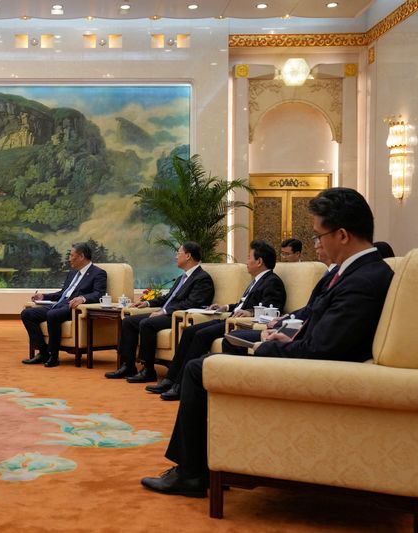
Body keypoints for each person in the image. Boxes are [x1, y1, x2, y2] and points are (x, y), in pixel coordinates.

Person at [140, 187, 394, 498]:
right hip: (309, 357)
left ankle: (191, 474)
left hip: (317, 372)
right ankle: (204, 465)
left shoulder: (364, 280)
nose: (316, 243)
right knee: (214, 354)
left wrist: (268, 346)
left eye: (319, 235)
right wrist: (284, 332)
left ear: (342, 235)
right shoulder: (352, 272)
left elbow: (323, 349)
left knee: (198, 370)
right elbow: (317, 319)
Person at [146, 240, 286, 401]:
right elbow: (241, 304)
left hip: (240, 325)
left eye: (249, 257)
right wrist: (225, 306)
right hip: (229, 317)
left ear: (259, 261)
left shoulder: (273, 282)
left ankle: (181, 385)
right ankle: (171, 379)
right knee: (190, 331)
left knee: (200, 335)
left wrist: (248, 312)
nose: (246, 261)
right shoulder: (257, 281)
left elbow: (272, 309)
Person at [105, 241, 214, 383]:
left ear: (188, 256)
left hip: (178, 316)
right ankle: (128, 365)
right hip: (167, 313)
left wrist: (164, 311)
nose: (176, 257)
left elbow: (192, 303)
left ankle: (148, 369)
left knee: (147, 323)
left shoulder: (202, 278)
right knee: (129, 321)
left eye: (178, 253)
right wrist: (147, 303)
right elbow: (168, 298)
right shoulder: (182, 277)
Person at [221, 247, 337, 354]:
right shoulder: (332, 273)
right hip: (296, 328)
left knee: (231, 339)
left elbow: (313, 314)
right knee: (228, 338)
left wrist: (285, 328)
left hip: (305, 336)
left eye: (319, 237)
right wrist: (284, 320)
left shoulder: (272, 281)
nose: (316, 245)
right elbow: (310, 309)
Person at [21, 242, 107, 368]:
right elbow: (63, 293)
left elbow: (99, 294)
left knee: (52, 314)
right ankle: (43, 352)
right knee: (27, 314)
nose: (69, 258)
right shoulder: (73, 273)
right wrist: (44, 296)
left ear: (81, 256)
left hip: (73, 308)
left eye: (72, 255)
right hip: (59, 305)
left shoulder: (98, 273)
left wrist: (82, 298)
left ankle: (53, 356)